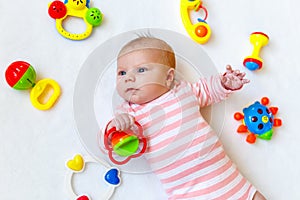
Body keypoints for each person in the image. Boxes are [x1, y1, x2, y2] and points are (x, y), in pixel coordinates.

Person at [105, 36, 266, 199]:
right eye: (122, 72)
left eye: (141, 70)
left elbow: (207, 90)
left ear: (168, 78)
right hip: (185, 193)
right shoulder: (129, 116)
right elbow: (116, 149)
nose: (128, 78)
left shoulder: (182, 92)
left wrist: (224, 83)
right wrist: (115, 129)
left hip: (225, 178)